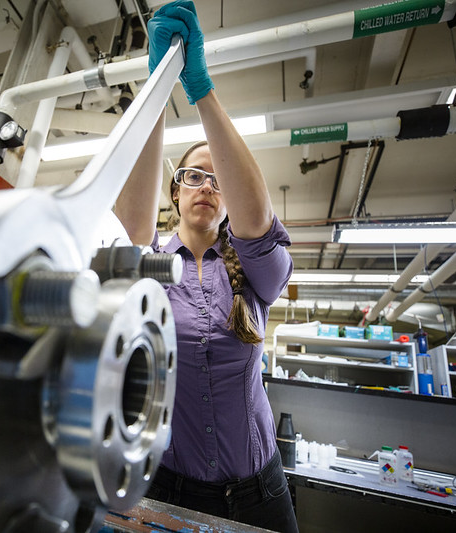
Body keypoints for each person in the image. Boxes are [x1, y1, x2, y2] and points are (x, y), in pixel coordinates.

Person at [114, 2, 298, 531]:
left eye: (218, 181)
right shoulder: (151, 267)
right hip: (171, 487)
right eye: (195, 176)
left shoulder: (253, 273)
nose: (207, 186)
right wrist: (154, 96)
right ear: (174, 193)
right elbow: (129, 237)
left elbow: (258, 223)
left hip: (261, 490)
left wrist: (199, 88)